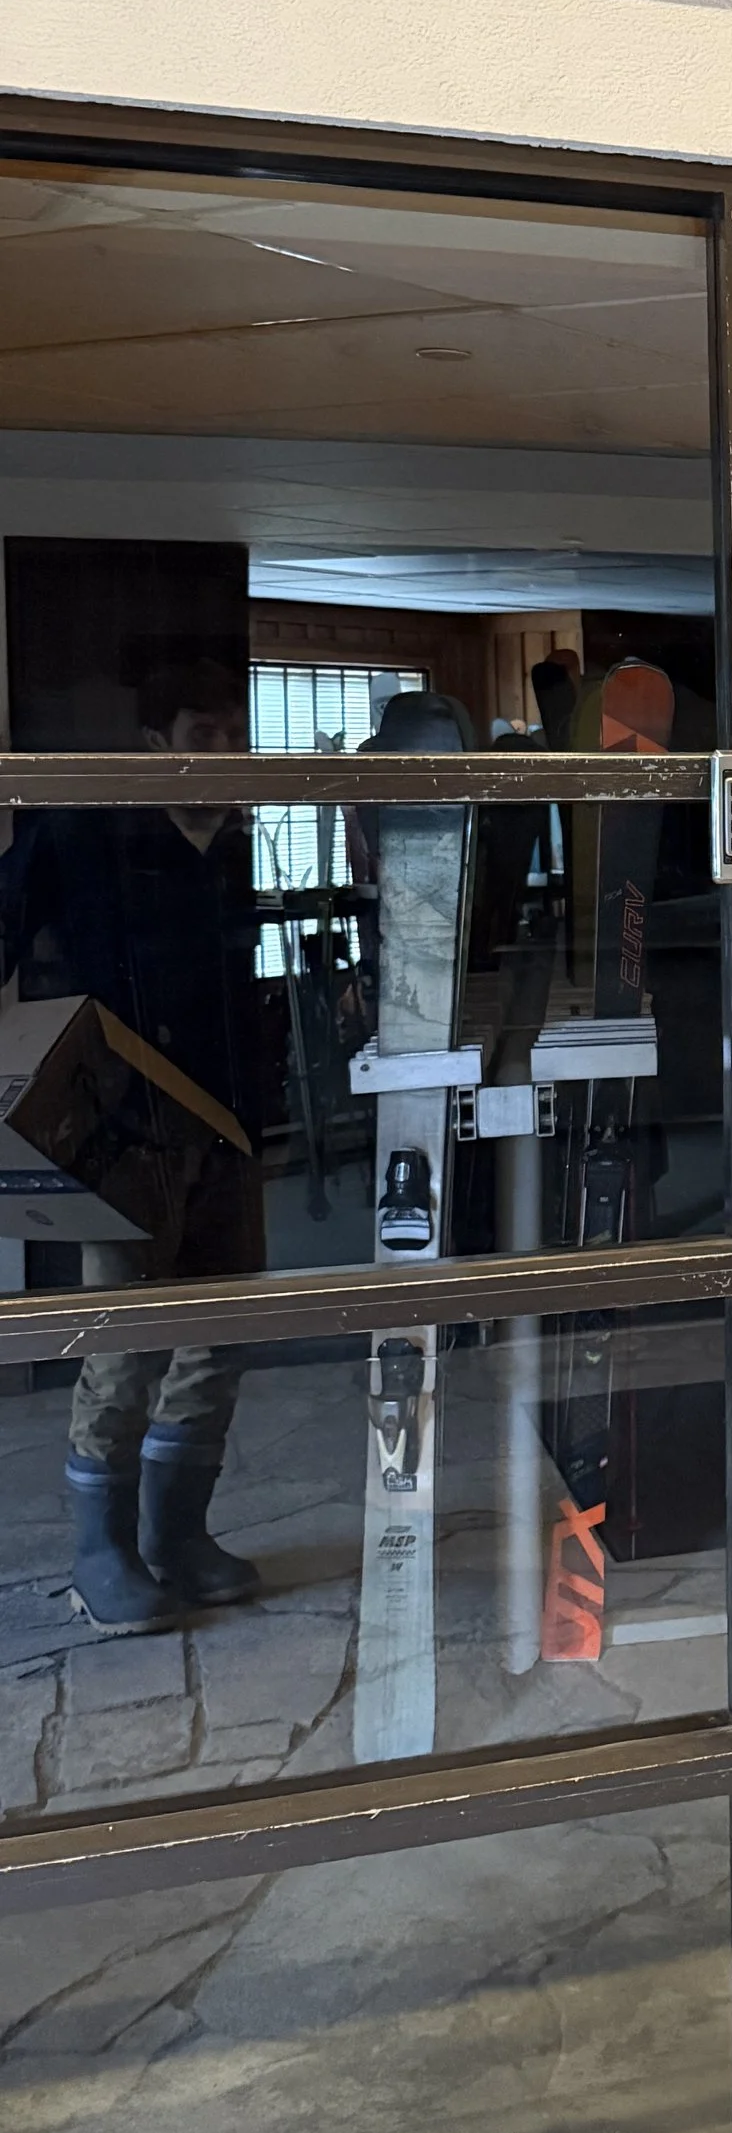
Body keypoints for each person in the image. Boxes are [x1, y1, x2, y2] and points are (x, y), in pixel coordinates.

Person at [9, 659, 270, 1631]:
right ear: (157, 743)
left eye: (237, 734)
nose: (225, 752)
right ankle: (101, 1553)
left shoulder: (234, 839)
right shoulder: (84, 829)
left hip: (232, 1125)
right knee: (124, 1345)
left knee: (219, 1338)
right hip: (121, 1134)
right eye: (205, 733)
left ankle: (178, 1534)